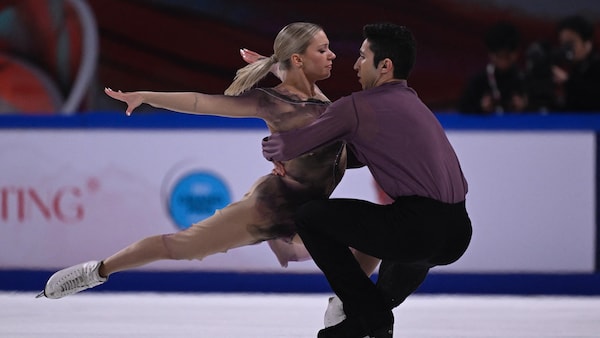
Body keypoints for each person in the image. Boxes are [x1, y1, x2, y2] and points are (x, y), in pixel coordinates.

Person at [37, 22, 380, 306]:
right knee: (180, 246)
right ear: (299, 59)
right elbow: (202, 102)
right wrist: (146, 97)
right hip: (271, 207)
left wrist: (268, 61)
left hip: (313, 214)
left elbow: (291, 77)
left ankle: (348, 303)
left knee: (375, 238)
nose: (333, 54)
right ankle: (95, 271)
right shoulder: (273, 102)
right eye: (322, 49)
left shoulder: (319, 98)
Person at [262, 22, 472, 338]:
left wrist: (271, 145)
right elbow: (357, 154)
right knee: (377, 301)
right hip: (457, 231)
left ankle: (372, 318)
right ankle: (357, 326)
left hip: (416, 227)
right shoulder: (413, 104)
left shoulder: (358, 107)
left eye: (363, 56)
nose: (356, 64)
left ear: (384, 66)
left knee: (310, 218)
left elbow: (288, 145)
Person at [458, 21, 527, 114]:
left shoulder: (525, 80)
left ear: (516, 53)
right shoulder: (478, 81)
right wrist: (480, 108)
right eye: (499, 56)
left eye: (507, 56)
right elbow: (462, 109)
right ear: (490, 54)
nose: (503, 61)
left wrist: (526, 107)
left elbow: (545, 111)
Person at [552, 15, 600, 112]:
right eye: (563, 43)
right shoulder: (570, 67)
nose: (566, 48)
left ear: (587, 44)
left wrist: (568, 81)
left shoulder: (596, 66)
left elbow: (593, 100)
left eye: (571, 43)